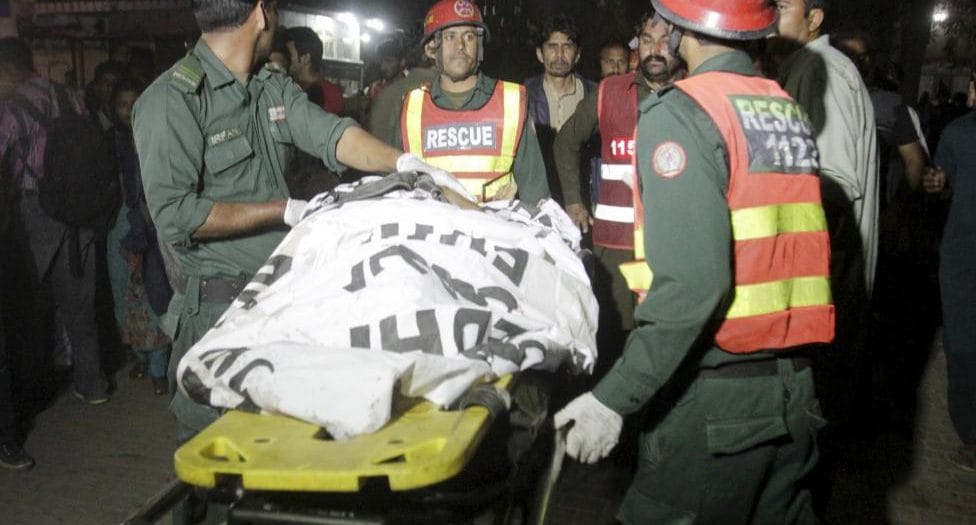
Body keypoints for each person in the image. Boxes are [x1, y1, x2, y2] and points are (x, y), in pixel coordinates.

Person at [132, 0, 468, 441]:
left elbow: (332, 134)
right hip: (220, 315)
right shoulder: (171, 101)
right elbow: (176, 216)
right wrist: (283, 210)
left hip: (284, 303)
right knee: (218, 453)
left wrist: (405, 163)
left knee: (286, 449)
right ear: (261, 13)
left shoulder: (267, 85)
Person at [554, 0, 833, 522]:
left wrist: (613, 397)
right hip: (793, 389)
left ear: (681, 26)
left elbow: (694, 283)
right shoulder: (782, 106)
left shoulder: (683, 112)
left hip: (717, 401)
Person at [769, 0, 879, 438]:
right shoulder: (804, 67)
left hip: (825, 282)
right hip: (821, 281)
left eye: (782, 7)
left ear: (813, 19)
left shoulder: (823, 70)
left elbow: (832, 185)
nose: (770, 16)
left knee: (817, 413)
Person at [553, 12, 681, 380]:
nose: (655, 49)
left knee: (667, 340)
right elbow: (565, 143)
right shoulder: (610, 92)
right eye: (647, 40)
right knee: (615, 342)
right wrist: (574, 200)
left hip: (674, 244)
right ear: (636, 47)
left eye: (665, 41)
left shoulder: (694, 92)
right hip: (616, 246)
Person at [0, 37, 110, 406]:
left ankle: (36, 388)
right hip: (80, 208)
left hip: (36, 210)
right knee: (80, 303)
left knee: (31, 304)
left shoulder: (11, 106)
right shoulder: (71, 97)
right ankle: (92, 384)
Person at [388, 0, 549, 203]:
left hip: (495, 223)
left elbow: (536, 197)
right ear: (431, 48)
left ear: (479, 47)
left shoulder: (511, 103)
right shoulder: (411, 109)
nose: (461, 46)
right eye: (450, 36)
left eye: (469, 37)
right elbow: (395, 192)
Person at [106, 79, 173, 396]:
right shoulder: (110, 144)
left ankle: (159, 367)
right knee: (126, 298)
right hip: (121, 229)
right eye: (123, 104)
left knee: (154, 296)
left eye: (135, 103)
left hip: (153, 228)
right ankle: (141, 357)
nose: (129, 110)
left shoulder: (158, 137)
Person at [932, 70, 976, 471]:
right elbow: (943, 185)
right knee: (962, 345)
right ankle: (971, 436)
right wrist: (936, 183)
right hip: (962, 259)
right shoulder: (958, 133)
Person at [524, 14, 595, 201]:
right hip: (539, 196)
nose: (560, 55)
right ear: (540, 54)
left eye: (567, 47)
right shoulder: (523, 96)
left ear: (578, 54)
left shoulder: (595, 95)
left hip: (584, 196)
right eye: (552, 46)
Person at [285, 26, 345, 115]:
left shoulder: (330, 95)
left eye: (288, 54)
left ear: (305, 58)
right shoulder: (287, 86)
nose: (284, 58)